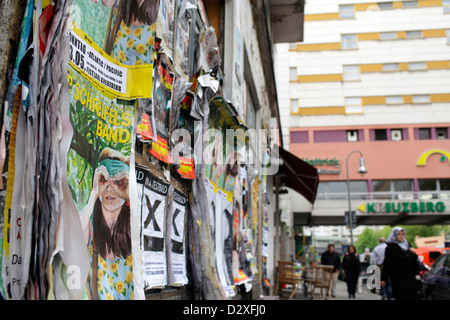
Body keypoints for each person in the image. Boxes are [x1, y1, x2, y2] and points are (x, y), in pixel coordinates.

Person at [79, 147, 133, 300]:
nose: (110, 189)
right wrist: (94, 194)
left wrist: (130, 197)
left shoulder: (133, 224)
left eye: (119, 182)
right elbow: (70, 240)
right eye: (104, 179)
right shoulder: (89, 227)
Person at [381, 227, 420, 300]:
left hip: (410, 277)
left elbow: (413, 261)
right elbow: (387, 264)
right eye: (399, 234)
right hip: (398, 278)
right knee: (401, 296)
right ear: (394, 235)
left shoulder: (407, 245)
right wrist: (383, 278)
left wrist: (414, 254)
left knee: (412, 296)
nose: (401, 236)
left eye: (402, 234)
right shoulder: (390, 248)